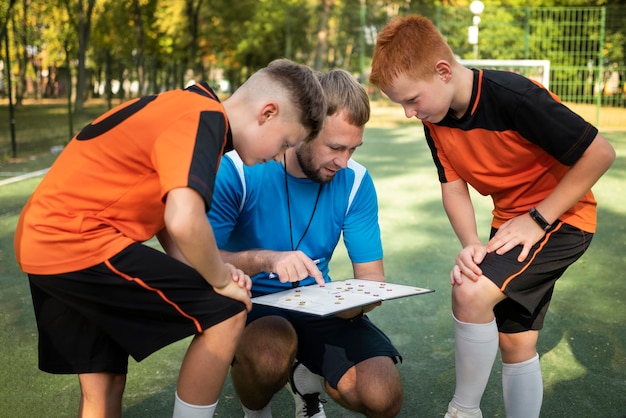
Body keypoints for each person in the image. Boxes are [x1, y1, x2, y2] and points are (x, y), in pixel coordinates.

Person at [13, 58, 327, 418]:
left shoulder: (185, 104)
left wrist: (209, 270)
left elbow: (167, 215)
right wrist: (221, 280)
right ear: (267, 112)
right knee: (227, 313)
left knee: (104, 384)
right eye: (286, 142)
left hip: (43, 241)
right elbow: (183, 218)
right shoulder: (206, 118)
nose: (279, 157)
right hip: (79, 239)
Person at [368, 15, 616, 418]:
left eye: (412, 100)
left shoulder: (513, 96)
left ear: (443, 71)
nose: (409, 114)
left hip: (561, 218)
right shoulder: (436, 118)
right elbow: (452, 186)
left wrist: (537, 220)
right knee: (515, 342)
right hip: (511, 224)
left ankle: (462, 411)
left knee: (468, 292)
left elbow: (600, 153)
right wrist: (471, 244)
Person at [208, 69, 403, 418]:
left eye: (352, 148)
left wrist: (353, 305)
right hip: (250, 301)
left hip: (318, 304)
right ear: (304, 129)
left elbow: (372, 277)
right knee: (271, 351)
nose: (343, 162)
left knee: (382, 395)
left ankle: (305, 380)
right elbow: (203, 260)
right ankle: (256, 411)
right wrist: (267, 259)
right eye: (334, 147)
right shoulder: (239, 167)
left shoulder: (355, 179)